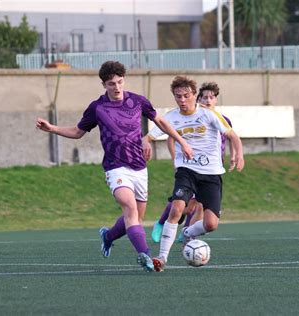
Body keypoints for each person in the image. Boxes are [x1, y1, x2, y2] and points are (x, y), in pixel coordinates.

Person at [36, 61, 193, 272]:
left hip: (139, 167)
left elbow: (161, 122)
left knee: (137, 217)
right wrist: (52, 128)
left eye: (120, 82)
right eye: (111, 84)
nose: (117, 87)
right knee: (129, 208)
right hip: (115, 167)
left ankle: (108, 236)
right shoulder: (97, 108)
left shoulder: (138, 101)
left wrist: (182, 141)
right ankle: (145, 256)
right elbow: (77, 132)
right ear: (104, 85)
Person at [143, 75, 245, 272]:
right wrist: (145, 141)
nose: (182, 100)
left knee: (211, 224)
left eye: (186, 96)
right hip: (186, 171)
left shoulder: (209, 115)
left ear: (194, 95)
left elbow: (233, 136)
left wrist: (238, 154)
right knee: (176, 209)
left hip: (211, 174)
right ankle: (162, 258)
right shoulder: (171, 117)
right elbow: (149, 135)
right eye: (177, 96)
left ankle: (188, 232)